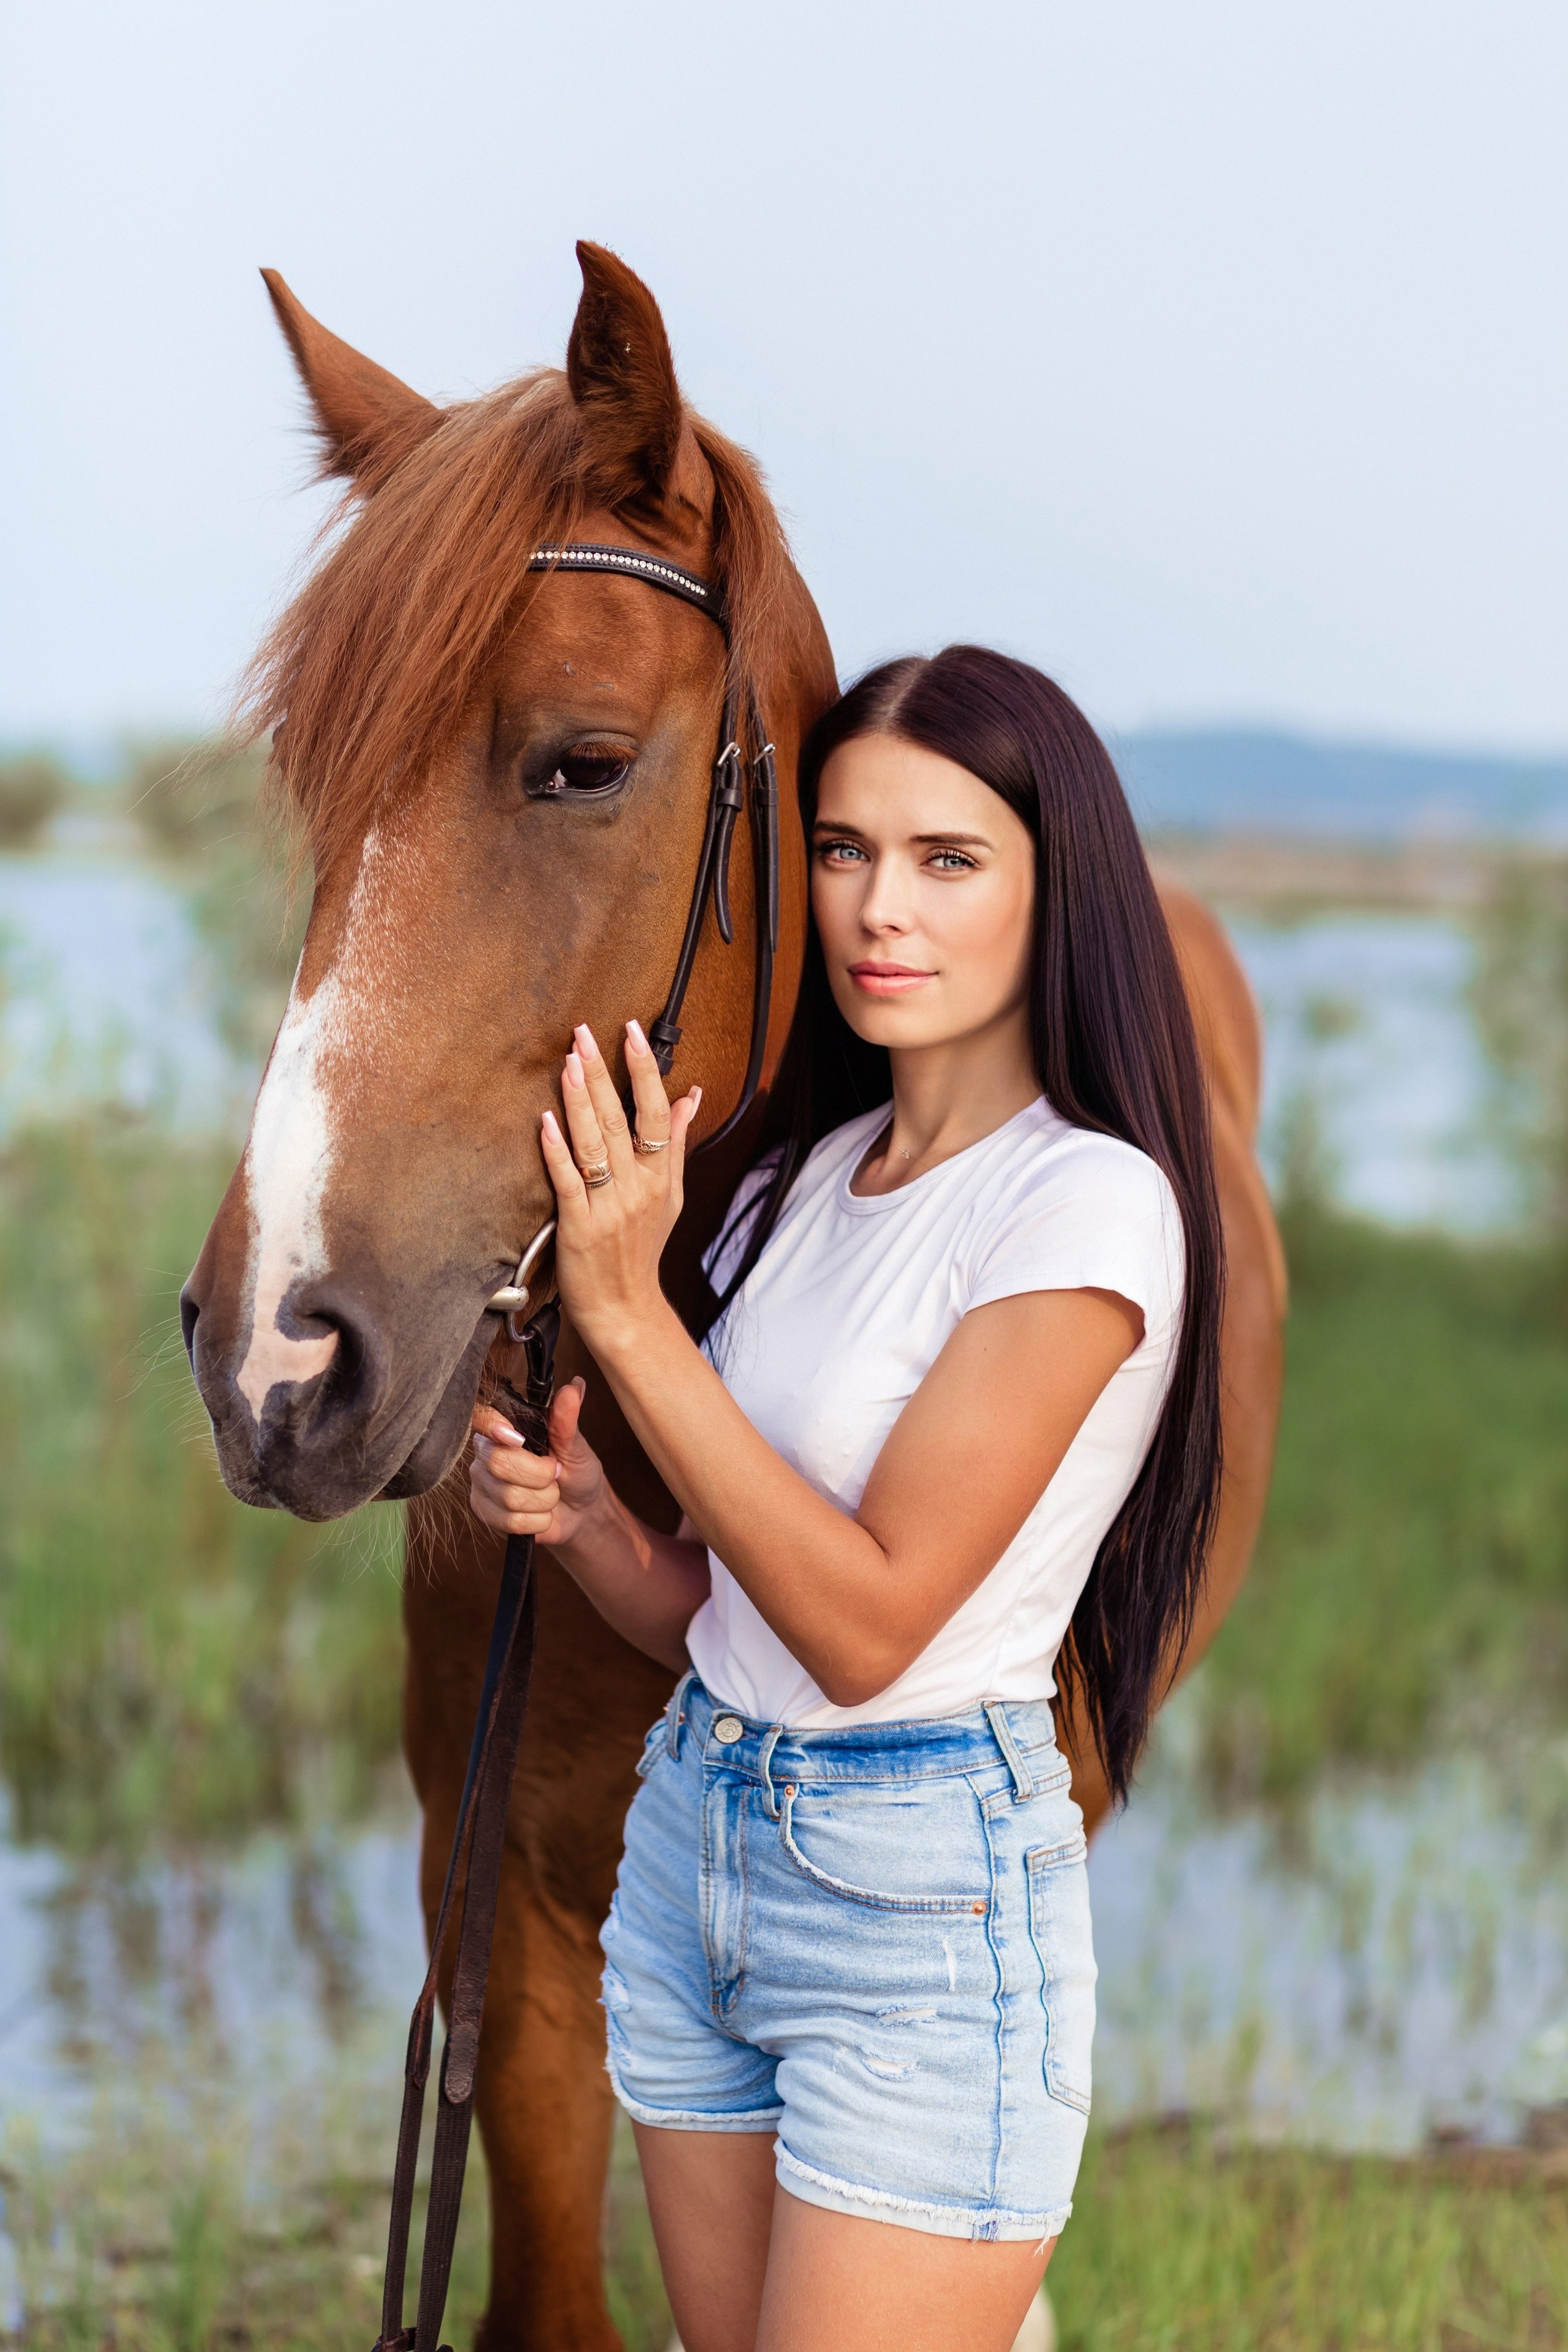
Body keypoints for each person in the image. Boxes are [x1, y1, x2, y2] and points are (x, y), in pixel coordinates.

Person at [468, 645, 1224, 2352]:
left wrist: (630, 1316)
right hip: (700, 1847)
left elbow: (870, 1627)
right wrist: (592, 1522)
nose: (881, 907)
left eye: (948, 858)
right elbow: (729, 1617)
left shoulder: (1084, 1207)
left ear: (1056, 887)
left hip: (918, 1899)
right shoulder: (802, 1186)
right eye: (842, 849)